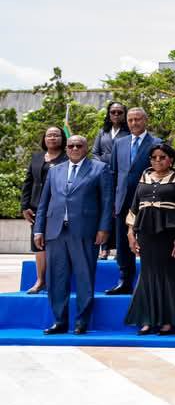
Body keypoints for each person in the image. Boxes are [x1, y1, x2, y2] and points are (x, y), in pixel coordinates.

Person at [34, 135, 113, 335]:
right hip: (56, 232)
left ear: (86, 148)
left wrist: (104, 229)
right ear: (66, 148)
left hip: (85, 231)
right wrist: (39, 229)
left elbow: (107, 202)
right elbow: (43, 203)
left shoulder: (99, 169)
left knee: (85, 276)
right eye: (71, 146)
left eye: (79, 145)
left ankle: (81, 322)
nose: (75, 148)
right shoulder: (55, 170)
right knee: (56, 278)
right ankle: (59, 321)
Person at [123, 143, 175, 334]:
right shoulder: (144, 177)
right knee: (147, 274)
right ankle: (148, 319)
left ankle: (168, 320)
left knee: (169, 273)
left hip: (169, 233)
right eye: (154, 157)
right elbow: (134, 208)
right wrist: (131, 233)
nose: (158, 160)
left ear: (171, 159)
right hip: (145, 233)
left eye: (162, 157)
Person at [106, 107, 162, 295]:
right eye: (130, 120)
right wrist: (113, 201)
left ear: (145, 120)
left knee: (148, 242)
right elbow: (114, 174)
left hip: (148, 201)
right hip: (122, 201)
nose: (134, 123)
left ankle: (149, 283)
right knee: (123, 243)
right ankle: (125, 281)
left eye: (137, 119)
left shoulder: (156, 143)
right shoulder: (119, 143)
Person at [21, 126, 67, 294]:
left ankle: (56, 281)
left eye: (56, 135)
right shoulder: (37, 157)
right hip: (36, 208)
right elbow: (28, 182)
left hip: (57, 208)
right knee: (38, 243)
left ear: (62, 138)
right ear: (44, 139)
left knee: (56, 244)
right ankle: (40, 281)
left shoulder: (67, 158)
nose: (52, 138)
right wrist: (25, 206)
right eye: (49, 135)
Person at [91, 101, 129, 260]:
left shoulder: (128, 132)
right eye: (113, 112)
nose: (116, 115)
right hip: (104, 175)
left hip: (121, 176)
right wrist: (103, 166)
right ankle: (104, 248)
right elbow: (95, 153)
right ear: (109, 114)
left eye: (120, 112)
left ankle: (121, 249)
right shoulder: (102, 132)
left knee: (119, 211)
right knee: (105, 210)